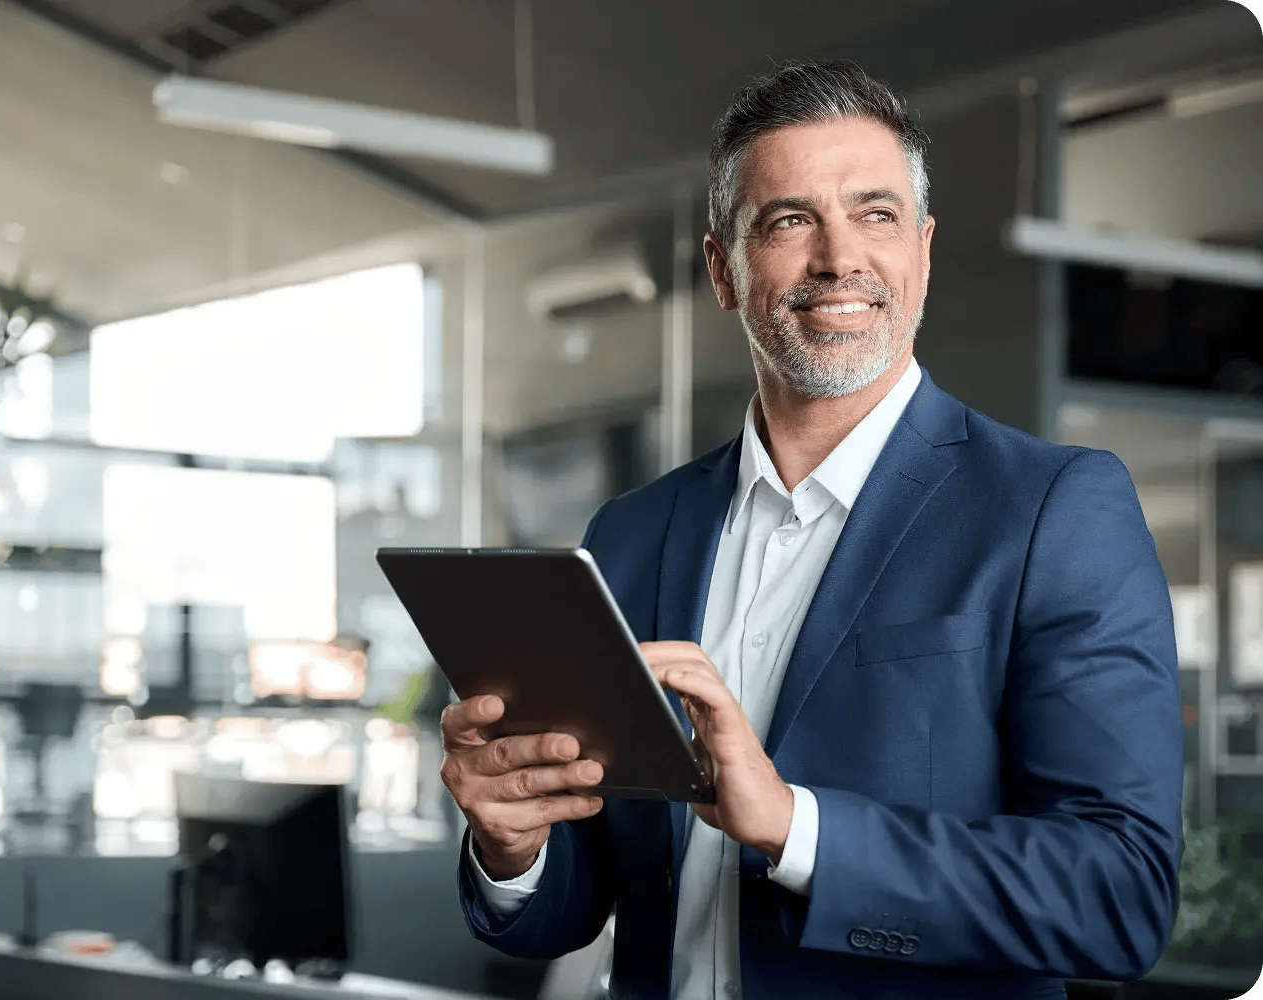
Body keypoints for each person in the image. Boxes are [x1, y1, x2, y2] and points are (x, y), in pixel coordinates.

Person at [440, 58, 1183, 1000]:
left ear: (922, 246)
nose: (839, 258)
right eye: (789, 220)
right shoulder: (630, 534)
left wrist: (796, 829)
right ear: (723, 268)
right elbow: (582, 898)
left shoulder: (1053, 509)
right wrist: (513, 842)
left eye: (874, 215)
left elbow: (1118, 897)